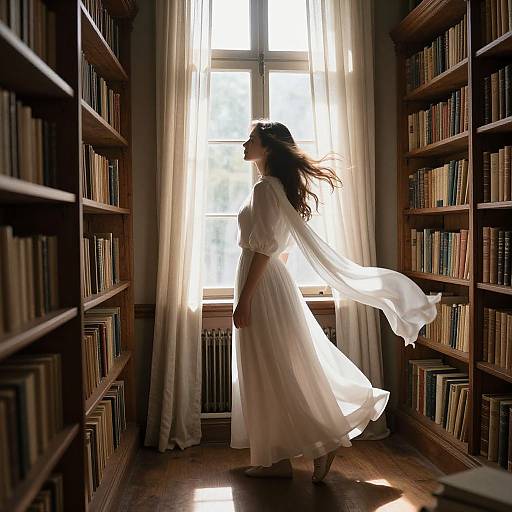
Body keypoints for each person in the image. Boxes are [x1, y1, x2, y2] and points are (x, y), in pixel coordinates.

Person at [231, 120, 440, 483]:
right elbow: (278, 248)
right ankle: (277, 457)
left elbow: (264, 249)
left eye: (251, 138)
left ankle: (317, 443)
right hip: (268, 283)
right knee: (271, 367)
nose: (243, 143)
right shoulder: (274, 187)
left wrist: (245, 299)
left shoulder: (267, 189)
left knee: (271, 368)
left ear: (268, 147)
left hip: (261, 286)